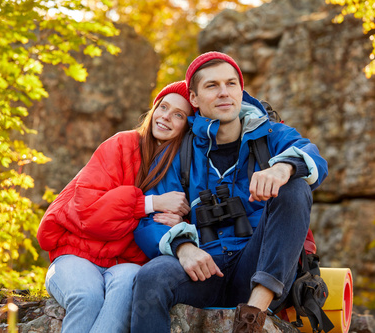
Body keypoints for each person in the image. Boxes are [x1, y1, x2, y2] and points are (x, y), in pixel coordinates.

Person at [131, 52, 328, 333]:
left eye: (231, 83)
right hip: (204, 267)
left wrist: (281, 169)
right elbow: (150, 220)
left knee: (295, 184)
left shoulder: (271, 135)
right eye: (212, 86)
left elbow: (313, 157)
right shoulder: (180, 150)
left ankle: (252, 319)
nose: (224, 93)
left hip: (260, 268)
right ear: (195, 99)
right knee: (152, 276)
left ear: (240, 89)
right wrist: (184, 248)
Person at [37, 81, 195, 333]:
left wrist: (181, 227)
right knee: (87, 298)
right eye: (163, 107)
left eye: (178, 114)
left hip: (127, 263)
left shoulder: (183, 166)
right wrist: (151, 203)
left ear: (189, 126)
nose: (165, 117)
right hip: (75, 254)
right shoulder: (122, 144)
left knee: (126, 291)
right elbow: (89, 213)